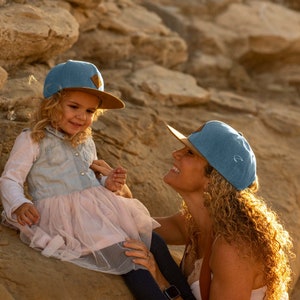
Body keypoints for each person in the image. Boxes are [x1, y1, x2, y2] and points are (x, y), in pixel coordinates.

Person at [0, 60, 196, 300]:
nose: (82, 117)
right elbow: (10, 178)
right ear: (51, 103)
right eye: (74, 106)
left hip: (100, 212)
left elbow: (89, 183)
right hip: (69, 218)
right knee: (132, 258)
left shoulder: (85, 142)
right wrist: (19, 203)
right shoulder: (33, 139)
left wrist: (108, 184)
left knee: (155, 241)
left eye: (90, 111)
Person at [124, 120, 294, 300]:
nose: (175, 154)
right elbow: (140, 228)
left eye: (189, 152)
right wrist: (122, 196)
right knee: (150, 244)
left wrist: (160, 281)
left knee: (142, 271)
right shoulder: (194, 222)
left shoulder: (234, 248)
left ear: (213, 178)